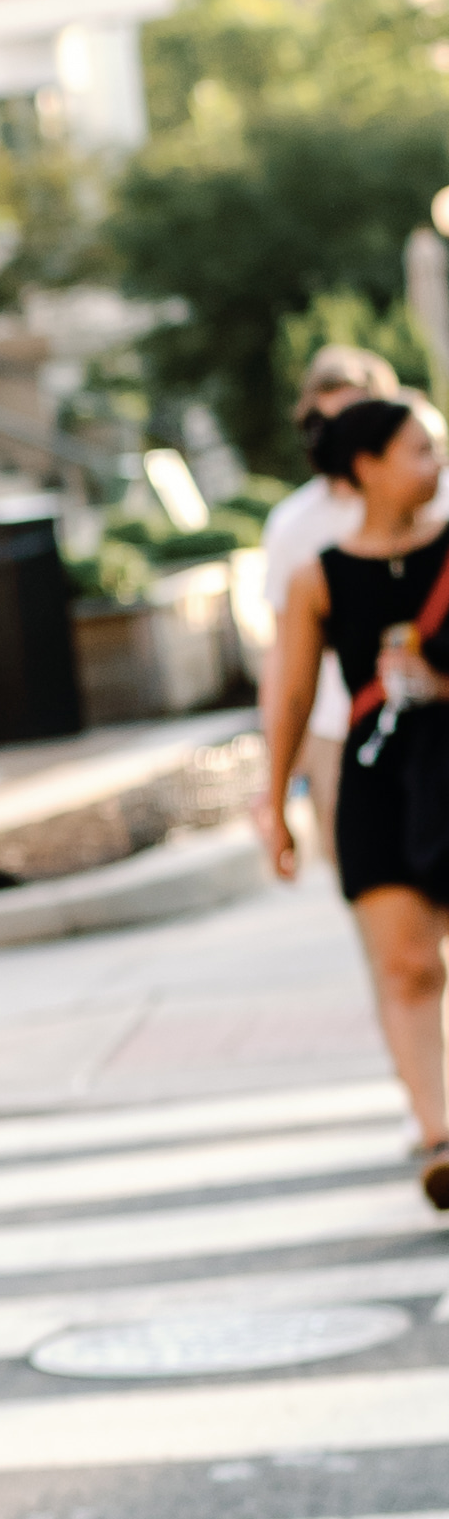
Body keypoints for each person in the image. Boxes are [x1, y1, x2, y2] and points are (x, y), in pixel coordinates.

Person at [257, 382, 449, 1201]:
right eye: (421, 449)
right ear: (367, 467)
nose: (438, 463)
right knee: (406, 964)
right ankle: (442, 1137)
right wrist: (275, 800)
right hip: (376, 778)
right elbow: (292, 692)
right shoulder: (318, 578)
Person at [257, 343, 405, 875]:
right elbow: (284, 660)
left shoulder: (437, 501)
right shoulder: (294, 526)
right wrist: (273, 788)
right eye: (328, 422)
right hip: (339, 735)